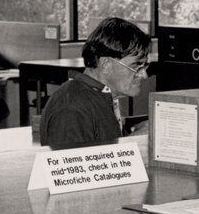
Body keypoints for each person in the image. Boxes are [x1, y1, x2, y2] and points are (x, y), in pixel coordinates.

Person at [39, 17, 151, 150]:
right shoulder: (71, 108)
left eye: (145, 66)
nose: (144, 75)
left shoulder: (100, 96)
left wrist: (134, 134)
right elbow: (74, 167)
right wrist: (133, 142)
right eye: (136, 66)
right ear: (106, 65)